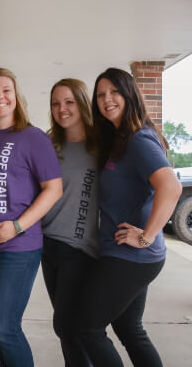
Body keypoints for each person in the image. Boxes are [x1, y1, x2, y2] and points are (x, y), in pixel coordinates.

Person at [78, 68, 182, 367]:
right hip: (131, 256)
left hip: (131, 258)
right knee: (129, 329)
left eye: (114, 92)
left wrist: (146, 235)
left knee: (88, 328)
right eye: (100, 94)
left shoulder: (138, 140)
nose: (107, 99)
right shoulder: (122, 138)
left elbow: (171, 187)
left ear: (130, 94)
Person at [0, 67, 63, 367]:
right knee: (3, 329)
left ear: (16, 95)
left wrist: (18, 226)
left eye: (6, 90)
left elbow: (53, 189)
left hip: (19, 247)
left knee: (4, 325)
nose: (0, 97)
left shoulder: (33, 137)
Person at [41, 79, 99, 367]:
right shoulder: (50, 144)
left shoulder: (102, 144)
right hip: (47, 245)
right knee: (67, 330)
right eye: (55, 103)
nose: (62, 109)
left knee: (67, 326)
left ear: (82, 102)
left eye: (69, 102)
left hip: (80, 247)